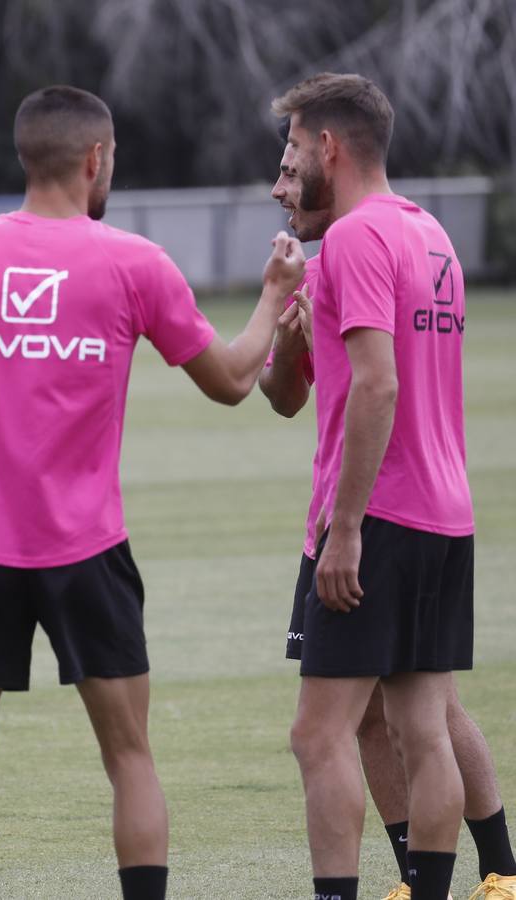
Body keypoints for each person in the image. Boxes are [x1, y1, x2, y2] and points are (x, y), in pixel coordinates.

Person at [0, 84, 305, 900]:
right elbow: (229, 381)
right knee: (128, 758)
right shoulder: (132, 262)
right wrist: (271, 296)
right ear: (95, 159)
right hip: (87, 551)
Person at [264, 130, 516, 900]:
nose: (277, 187)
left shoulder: (356, 241)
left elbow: (377, 388)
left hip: (373, 513)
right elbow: (287, 394)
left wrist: (344, 529)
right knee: (407, 718)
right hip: (437, 510)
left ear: (328, 149)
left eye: (287, 163)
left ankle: (493, 869)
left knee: (323, 732)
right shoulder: (425, 233)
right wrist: (286, 325)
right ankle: (441, 883)